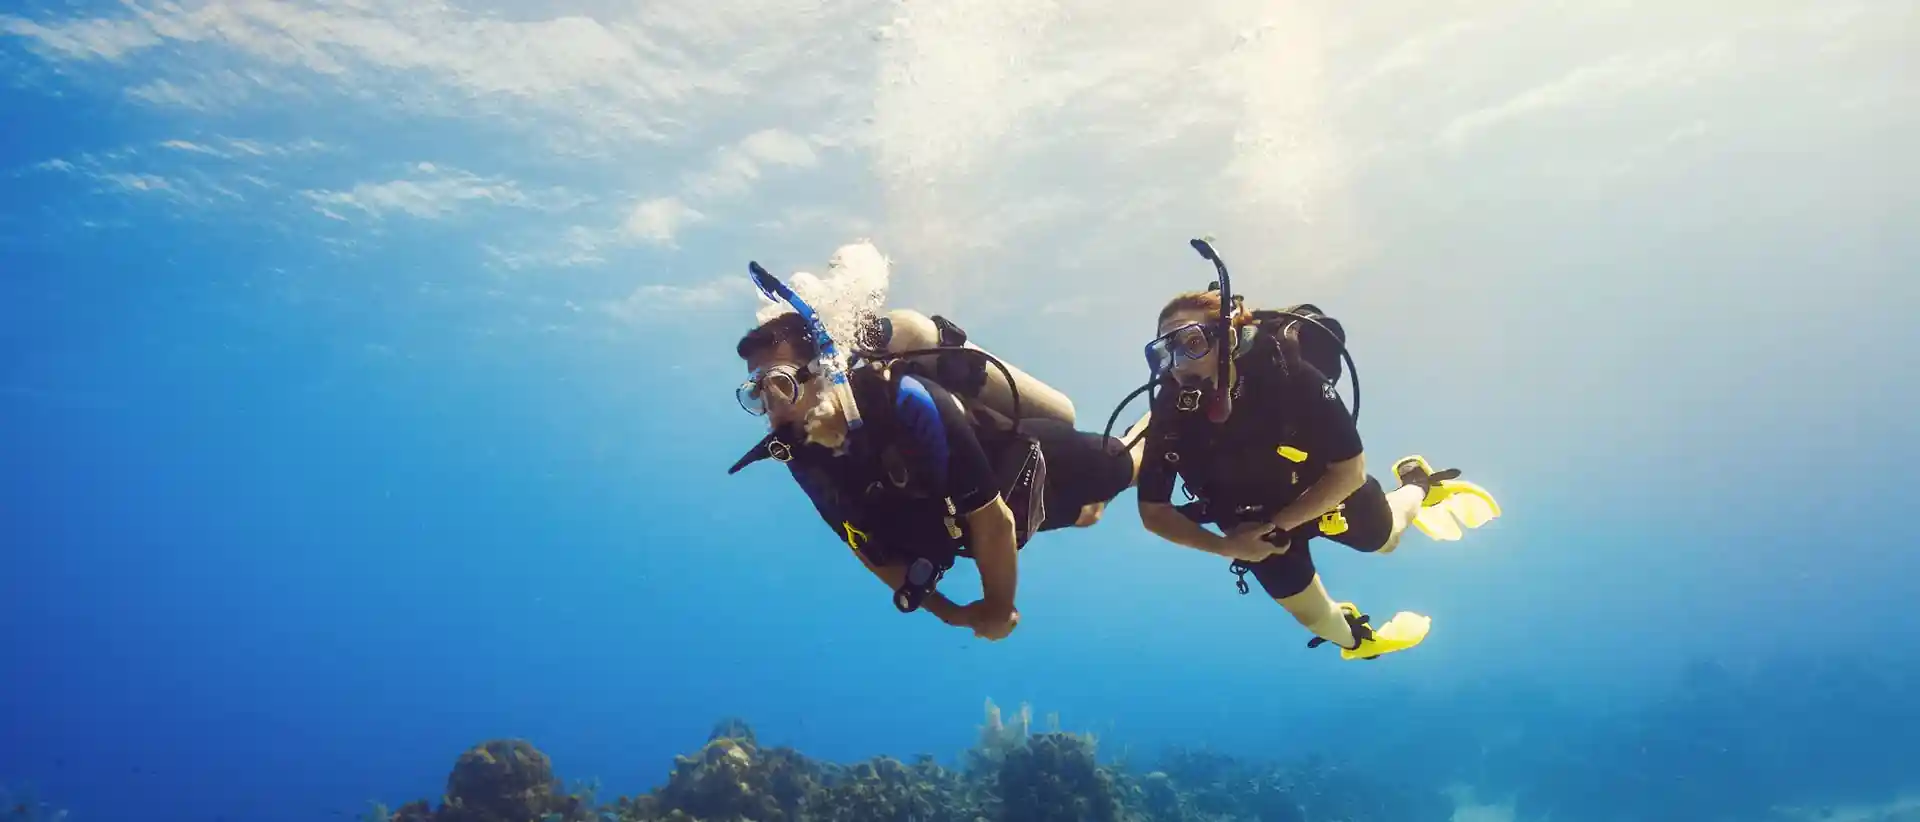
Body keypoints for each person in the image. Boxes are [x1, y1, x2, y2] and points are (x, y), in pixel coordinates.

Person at [730, 307, 1150, 642]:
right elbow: (864, 545)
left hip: (1025, 469)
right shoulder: (800, 455)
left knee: (1122, 466)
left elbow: (994, 520)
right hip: (982, 528)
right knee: (1086, 513)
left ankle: (1159, 420)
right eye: (758, 394)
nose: (771, 408)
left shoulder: (904, 400)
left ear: (823, 372)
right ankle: (1086, 508)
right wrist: (951, 614)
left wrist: (998, 608)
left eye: (780, 385)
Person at [1132, 287, 1502, 661]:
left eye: (1191, 341)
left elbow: (1350, 471)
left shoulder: (1289, 375)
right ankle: (1359, 641)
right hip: (1247, 525)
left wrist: (1279, 524)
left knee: (1386, 539)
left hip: (1323, 493)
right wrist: (1228, 547)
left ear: (1228, 336)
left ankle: (1419, 485)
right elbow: (1153, 512)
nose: (1178, 363)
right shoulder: (1170, 413)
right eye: (1164, 351)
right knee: (1313, 617)